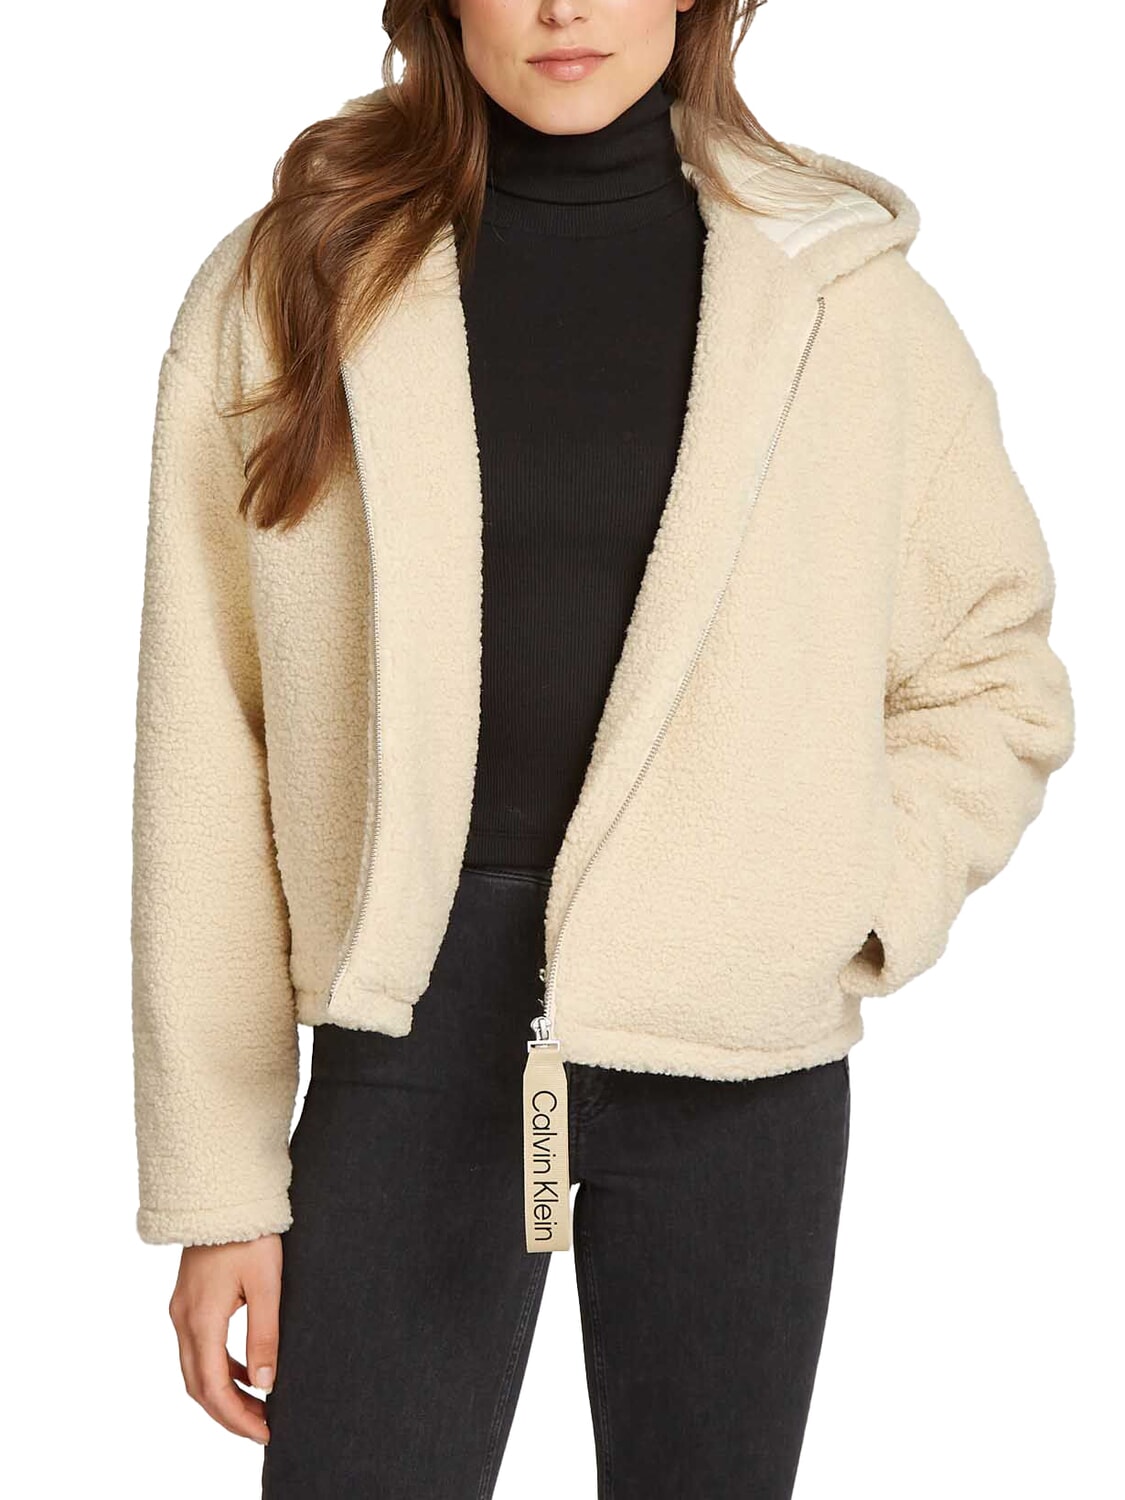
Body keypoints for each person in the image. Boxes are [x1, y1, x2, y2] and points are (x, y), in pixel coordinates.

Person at [129, 0, 1076, 1494]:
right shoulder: (293, 283)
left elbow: (990, 668)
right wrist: (219, 1186)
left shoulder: (844, 301)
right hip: (409, 1019)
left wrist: (841, 901)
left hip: (734, 1037)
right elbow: (204, 750)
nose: (564, 7)